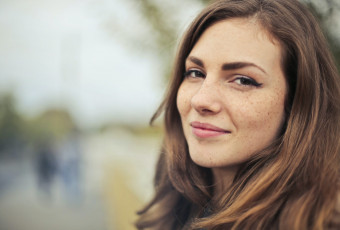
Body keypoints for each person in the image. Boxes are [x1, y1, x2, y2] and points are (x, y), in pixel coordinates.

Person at [136, 0, 340, 229]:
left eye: (243, 80)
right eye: (195, 73)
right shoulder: (176, 211)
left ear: (297, 103)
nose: (201, 100)